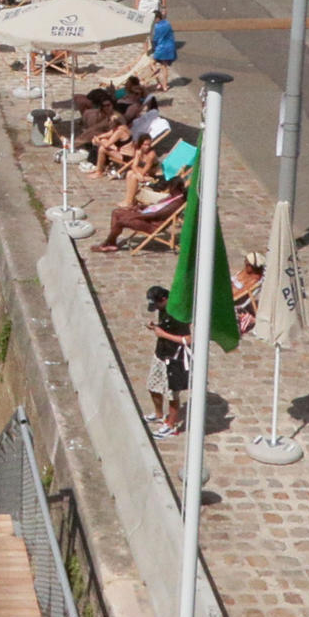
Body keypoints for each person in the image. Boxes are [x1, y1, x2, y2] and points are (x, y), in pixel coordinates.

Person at [143, 286, 190, 437]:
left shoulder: (179, 314)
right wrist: (156, 327)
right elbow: (167, 327)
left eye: (157, 304)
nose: (156, 308)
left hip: (174, 358)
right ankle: (159, 415)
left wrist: (163, 334)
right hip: (161, 354)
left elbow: (188, 339)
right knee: (153, 386)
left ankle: (171, 425)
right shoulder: (163, 309)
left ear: (164, 299)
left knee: (172, 394)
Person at [92, 187, 187, 252]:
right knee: (116, 212)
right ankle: (112, 242)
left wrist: (134, 216)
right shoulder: (172, 197)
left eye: (171, 186)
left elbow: (155, 215)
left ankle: (106, 243)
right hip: (147, 218)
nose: (169, 188)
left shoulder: (176, 203)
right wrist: (142, 207)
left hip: (153, 225)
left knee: (121, 222)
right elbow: (155, 207)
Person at [150, 9, 177, 90]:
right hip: (169, 47)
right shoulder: (167, 23)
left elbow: (156, 39)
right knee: (164, 66)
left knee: (152, 64)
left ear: (157, 18)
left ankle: (159, 81)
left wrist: (153, 47)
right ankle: (165, 86)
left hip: (161, 48)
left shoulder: (157, 26)